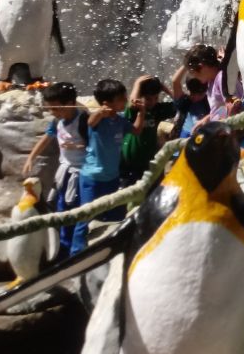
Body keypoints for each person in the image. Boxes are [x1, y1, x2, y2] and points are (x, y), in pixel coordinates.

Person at [71, 79, 142, 254]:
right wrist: (100, 112)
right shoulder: (97, 120)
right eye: (121, 99)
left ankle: (111, 250)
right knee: (86, 216)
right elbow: (90, 122)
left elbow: (136, 131)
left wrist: (142, 112)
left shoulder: (120, 121)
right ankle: (76, 253)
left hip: (112, 178)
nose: (125, 101)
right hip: (92, 178)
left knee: (115, 215)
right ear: (106, 103)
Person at [24, 82, 87, 256]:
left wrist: (78, 146)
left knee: (76, 209)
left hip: (80, 173)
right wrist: (31, 157)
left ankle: (75, 251)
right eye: (50, 108)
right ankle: (63, 248)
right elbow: (47, 137)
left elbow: (95, 145)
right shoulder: (58, 121)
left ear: (71, 103)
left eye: (56, 108)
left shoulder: (84, 120)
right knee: (61, 209)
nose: (53, 112)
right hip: (64, 172)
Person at [120, 75, 176, 187]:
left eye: (156, 98)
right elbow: (132, 103)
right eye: (148, 99)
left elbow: (179, 104)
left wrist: (165, 89)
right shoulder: (134, 111)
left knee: (153, 192)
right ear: (140, 96)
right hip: (129, 164)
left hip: (148, 162)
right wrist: (137, 83)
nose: (152, 102)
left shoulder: (157, 110)